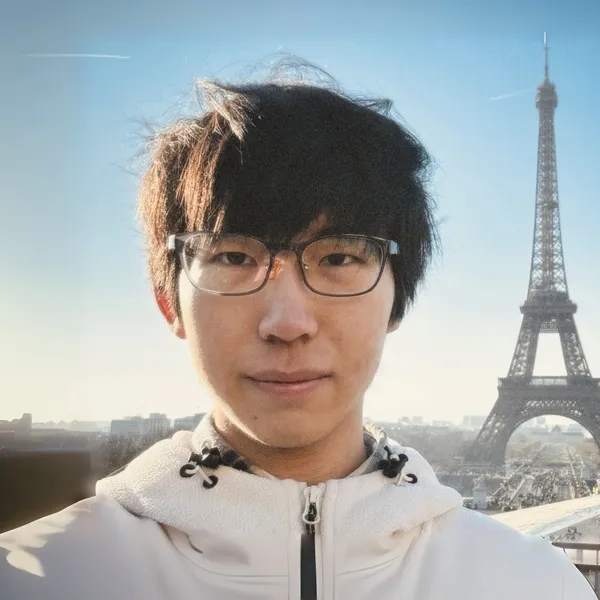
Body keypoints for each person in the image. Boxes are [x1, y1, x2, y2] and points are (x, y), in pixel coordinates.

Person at [0, 65, 594, 600]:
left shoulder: (539, 586)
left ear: (398, 301)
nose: (288, 323)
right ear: (167, 302)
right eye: (233, 257)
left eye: (337, 258)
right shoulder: (27, 581)